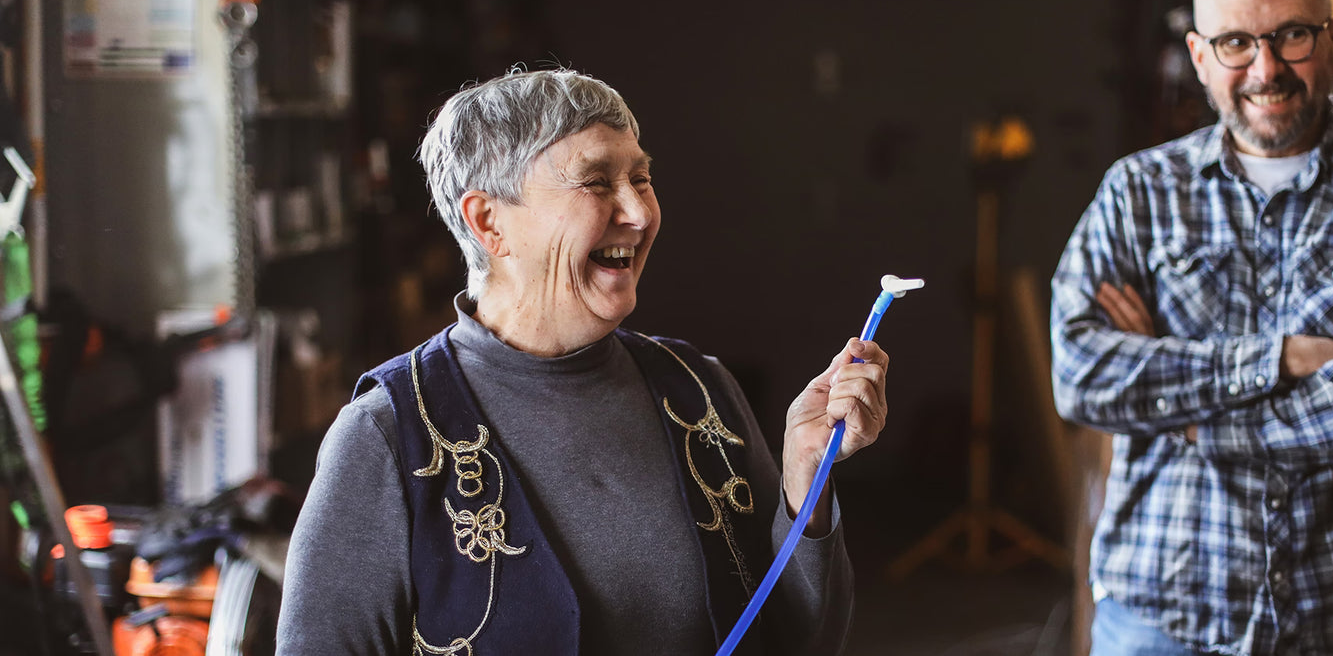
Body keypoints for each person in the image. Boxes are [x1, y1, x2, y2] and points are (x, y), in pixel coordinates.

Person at [275, 69, 889, 655]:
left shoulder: (701, 392)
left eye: (641, 179)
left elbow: (801, 641)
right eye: (596, 182)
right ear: (489, 222)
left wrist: (805, 480)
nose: (639, 213)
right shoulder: (387, 435)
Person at [1049, 0, 1333, 654]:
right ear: (1199, 56)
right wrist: (1282, 359)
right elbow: (1083, 375)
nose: (1266, 69)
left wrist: (1190, 420)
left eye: (1291, 35)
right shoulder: (1138, 193)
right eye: (1236, 42)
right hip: (1160, 619)